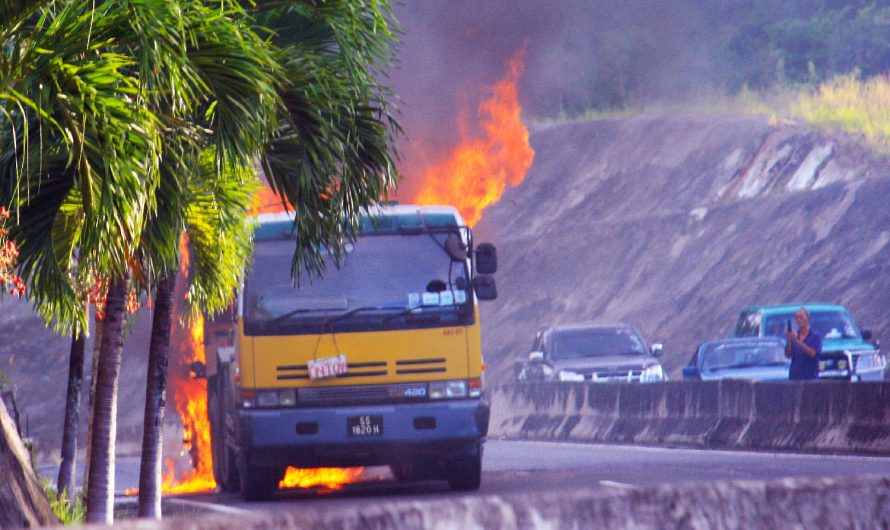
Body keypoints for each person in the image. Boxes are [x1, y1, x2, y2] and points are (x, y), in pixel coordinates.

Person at [785, 307, 822, 380]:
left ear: (808, 319)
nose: (799, 320)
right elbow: (788, 355)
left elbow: (812, 353)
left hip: (810, 378)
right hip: (795, 377)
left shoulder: (815, 336)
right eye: (797, 318)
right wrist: (789, 341)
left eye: (801, 317)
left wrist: (797, 341)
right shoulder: (795, 335)